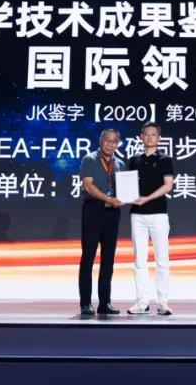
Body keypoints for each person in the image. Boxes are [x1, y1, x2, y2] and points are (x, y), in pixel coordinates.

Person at [126, 122, 175, 316]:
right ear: (141, 137)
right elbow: (127, 185)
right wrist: (127, 197)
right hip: (137, 215)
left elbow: (168, 185)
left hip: (158, 214)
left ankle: (163, 303)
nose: (149, 137)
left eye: (153, 135)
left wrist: (147, 198)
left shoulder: (165, 159)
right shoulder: (134, 160)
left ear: (159, 138)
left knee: (162, 260)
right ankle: (142, 302)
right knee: (139, 260)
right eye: (146, 134)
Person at [77, 128, 125, 316]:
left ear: (117, 144)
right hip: (93, 210)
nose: (110, 144)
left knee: (108, 259)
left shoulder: (120, 164)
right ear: (100, 141)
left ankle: (105, 303)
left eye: (114, 141)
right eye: (107, 140)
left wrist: (127, 197)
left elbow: (124, 188)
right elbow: (88, 185)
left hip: (112, 213)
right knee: (88, 256)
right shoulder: (89, 159)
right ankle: (85, 303)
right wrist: (108, 198)